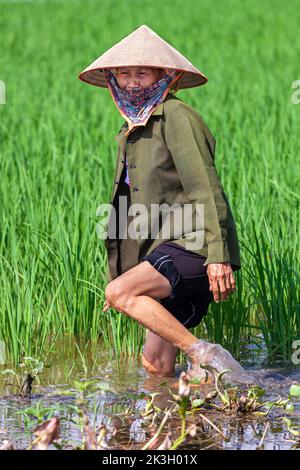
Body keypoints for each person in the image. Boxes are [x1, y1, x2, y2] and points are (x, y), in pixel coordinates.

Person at [78, 25, 256, 385]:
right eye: (124, 73)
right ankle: (184, 419)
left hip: (194, 247)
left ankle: (207, 357)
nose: (131, 82)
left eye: (142, 73)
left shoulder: (176, 117)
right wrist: (123, 274)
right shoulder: (132, 129)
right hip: (164, 251)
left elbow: (205, 186)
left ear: (167, 76)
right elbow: (128, 210)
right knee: (155, 366)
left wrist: (219, 256)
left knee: (121, 294)